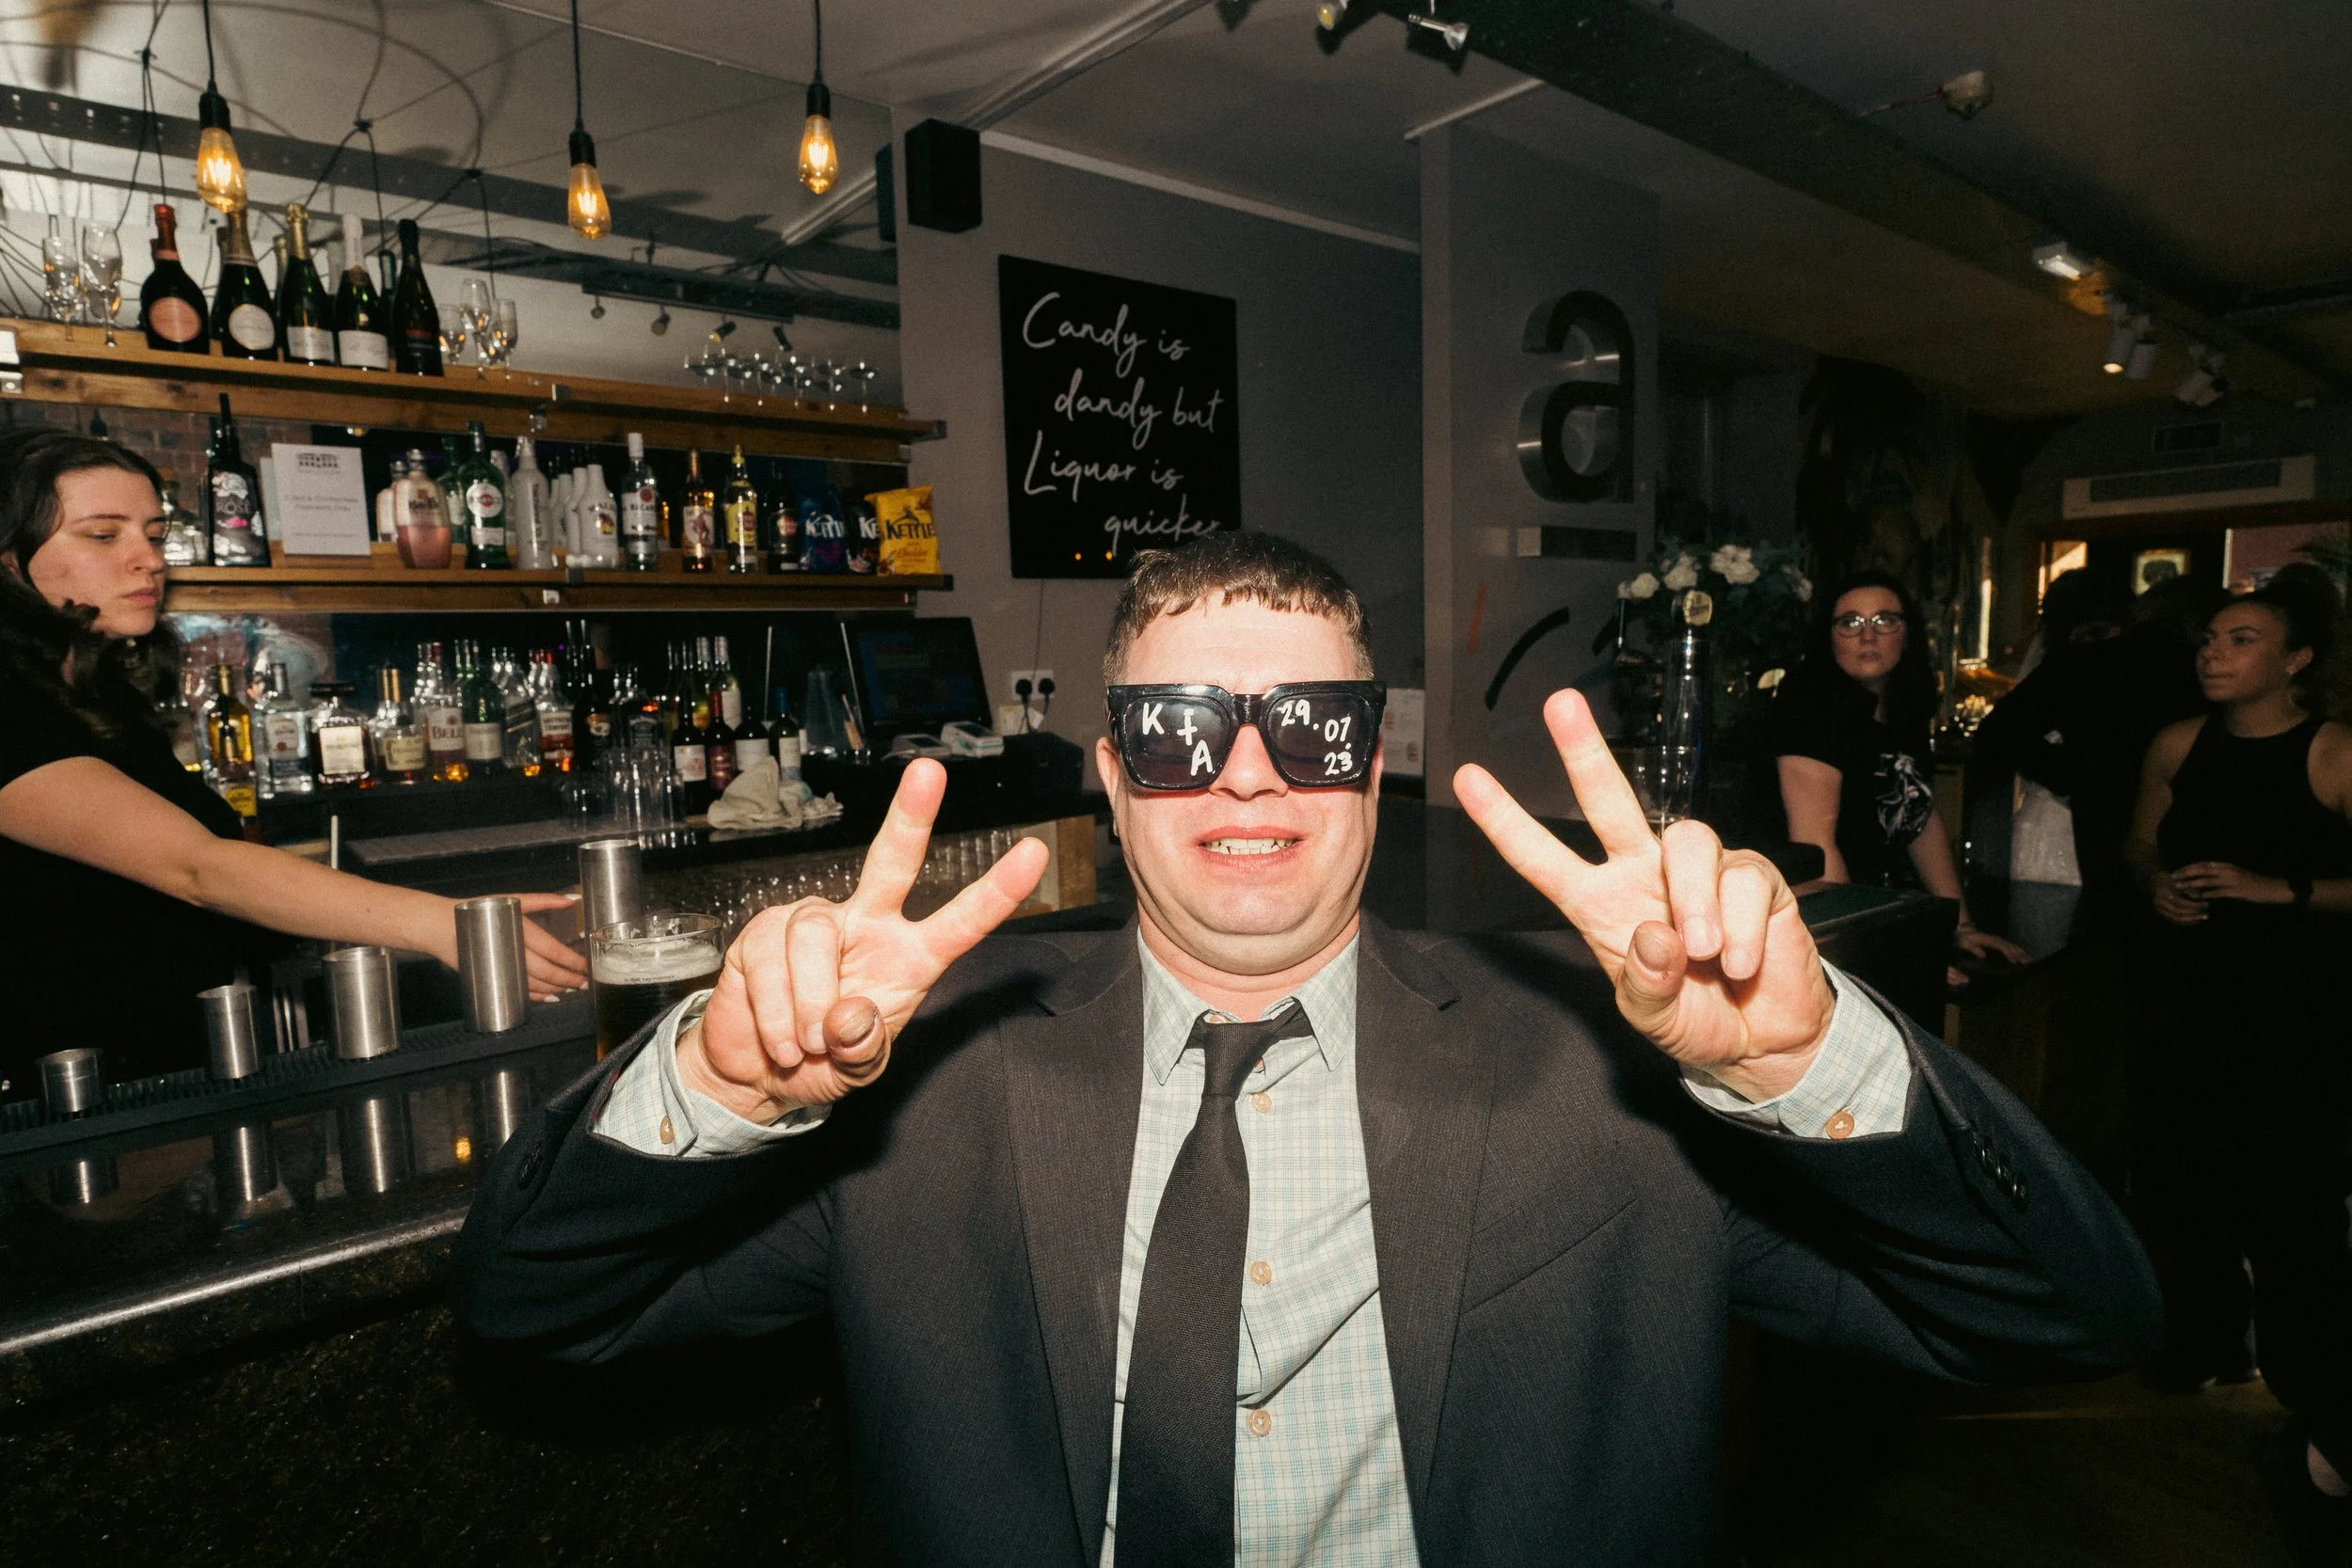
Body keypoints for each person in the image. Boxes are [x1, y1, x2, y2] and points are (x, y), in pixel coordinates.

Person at [455, 532, 2158, 1566]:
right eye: (1180, 728)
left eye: (1315, 725)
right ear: (1111, 777)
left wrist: (1803, 1066)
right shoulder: (924, 1074)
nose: (1250, 770)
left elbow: (2074, 1317)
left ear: (1373, 764)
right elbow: (530, 1306)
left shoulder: (1608, 1071)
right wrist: (718, 1087)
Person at [0, 430, 583, 1088]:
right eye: (104, 535)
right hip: (56, 1099)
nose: (149, 559)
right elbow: (196, 866)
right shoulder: (10, 709)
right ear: (9, 560)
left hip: (157, 1075)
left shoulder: (103, 702)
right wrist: (440, 923)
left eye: (154, 534)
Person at [2122, 580, 2352, 1501]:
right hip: (2187, 1000)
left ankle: (2317, 1403)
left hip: (2298, 1015)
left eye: (2241, 638)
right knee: (2178, 1179)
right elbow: (2139, 845)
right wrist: (2154, 883)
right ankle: (2204, 1343)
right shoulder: (2177, 742)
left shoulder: (2334, 751)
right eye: (2210, 636)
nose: (2212, 651)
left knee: (2292, 1207)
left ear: (2296, 659)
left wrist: (2279, 889)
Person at [1770, 571, 2028, 982]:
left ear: (1907, 635)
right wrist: (1878, 952)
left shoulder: (1902, 709)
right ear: (1829, 638)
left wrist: (1960, 927)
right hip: (1799, 922)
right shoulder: (1809, 706)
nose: (1867, 636)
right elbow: (1815, 850)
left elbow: (1918, 818)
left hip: (1858, 907)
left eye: (1884, 620)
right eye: (1850, 622)